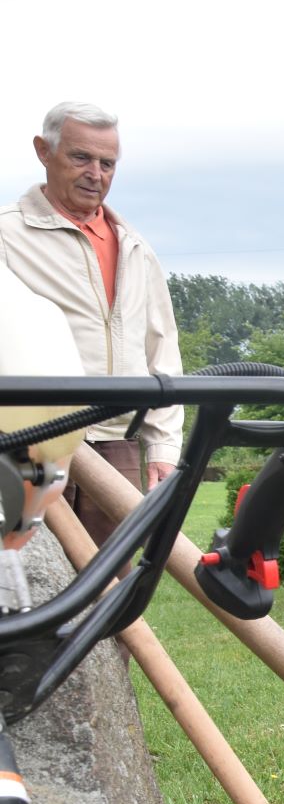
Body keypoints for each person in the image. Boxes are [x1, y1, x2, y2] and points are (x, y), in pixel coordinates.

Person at [0, 102, 183, 544]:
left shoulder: (134, 246)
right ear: (44, 152)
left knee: (114, 584)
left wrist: (162, 446)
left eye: (107, 163)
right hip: (27, 445)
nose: (95, 173)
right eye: (80, 157)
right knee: (30, 584)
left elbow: (162, 351)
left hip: (117, 444)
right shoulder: (7, 236)